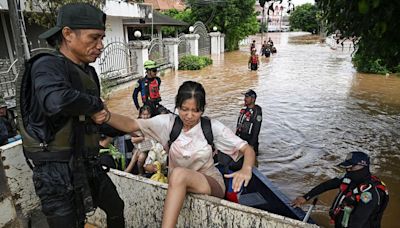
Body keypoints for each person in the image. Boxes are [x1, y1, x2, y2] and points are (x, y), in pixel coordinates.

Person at [17, 3, 124, 227]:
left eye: (102, 38)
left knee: (115, 206)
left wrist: (133, 129)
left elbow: (89, 122)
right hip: (55, 170)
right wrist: (95, 105)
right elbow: (56, 101)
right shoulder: (46, 65)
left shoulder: (88, 72)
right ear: (67, 34)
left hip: (87, 162)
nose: (100, 45)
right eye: (94, 38)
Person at [92, 81, 256, 228]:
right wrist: (107, 116)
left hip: (209, 182)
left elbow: (247, 149)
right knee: (178, 176)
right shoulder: (168, 124)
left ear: (202, 109)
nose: (189, 115)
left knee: (178, 175)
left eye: (195, 110)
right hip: (177, 183)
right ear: (177, 106)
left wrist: (246, 168)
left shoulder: (212, 127)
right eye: (185, 109)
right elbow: (133, 124)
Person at [292, 151, 389, 228]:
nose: (348, 171)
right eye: (347, 168)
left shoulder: (369, 194)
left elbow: (357, 222)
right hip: (342, 223)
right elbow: (326, 185)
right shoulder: (349, 178)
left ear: (362, 166)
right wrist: (305, 197)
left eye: (351, 167)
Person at [125, 105, 153, 175]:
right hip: (139, 146)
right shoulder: (137, 124)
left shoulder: (152, 123)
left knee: (141, 157)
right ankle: (141, 173)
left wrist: (143, 138)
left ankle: (142, 173)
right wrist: (142, 138)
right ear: (140, 114)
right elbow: (133, 140)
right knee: (140, 157)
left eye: (148, 114)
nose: (146, 116)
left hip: (149, 146)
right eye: (144, 114)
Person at [236, 89, 262, 156]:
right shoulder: (243, 110)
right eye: (245, 97)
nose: (244, 99)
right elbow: (238, 127)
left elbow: (256, 130)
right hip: (241, 143)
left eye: (247, 97)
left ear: (253, 99)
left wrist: (251, 146)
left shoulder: (257, 112)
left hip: (250, 144)